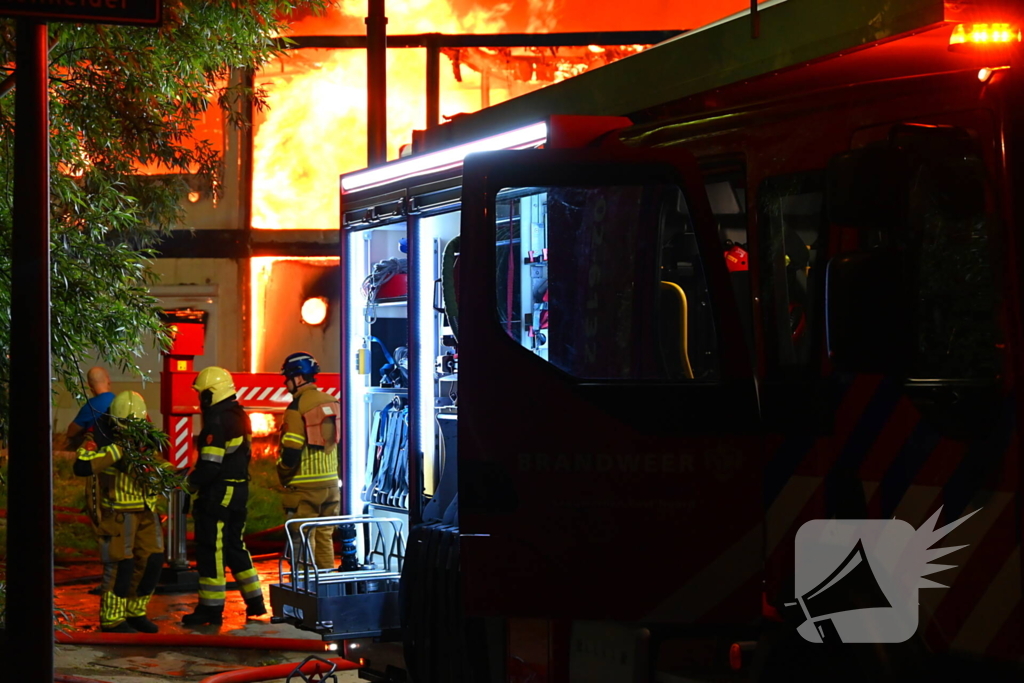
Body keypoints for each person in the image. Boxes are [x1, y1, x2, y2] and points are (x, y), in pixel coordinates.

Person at [73, 391, 167, 633]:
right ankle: (113, 619)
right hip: (117, 512)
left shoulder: (146, 431)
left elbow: (155, 462)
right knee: (120, 566)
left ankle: (136, 612)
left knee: (153, 560)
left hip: (146, 509)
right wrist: (117, 451)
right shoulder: (99, 433)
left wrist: (169, 477)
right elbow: (82, 465)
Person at [181, 366, 265, 625]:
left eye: (202, 395)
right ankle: (255, 601)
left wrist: (188, 486)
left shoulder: (217, 420)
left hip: (219, 493)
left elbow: (210, 466)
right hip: (238, 489)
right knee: (234, 545)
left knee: (212, 548)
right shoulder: (238, 414)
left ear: (210, 395)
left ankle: (211, 608)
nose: (200, 400)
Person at [276, 352, 350, 570]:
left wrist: (282, 472)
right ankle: (325, 588)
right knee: (324, 536)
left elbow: (291, 449)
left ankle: (301, 593)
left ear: (298, 378)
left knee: (299, 539)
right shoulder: (332, 402)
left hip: (304, 488)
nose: (286, 383)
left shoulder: (296, 408)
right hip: (331, 486)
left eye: (288, 378)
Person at [63, 366, 115, 451]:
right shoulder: (116, 400)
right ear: (109, 381)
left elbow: (71, 432)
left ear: (90, 386)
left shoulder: (91, 406)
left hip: (96, 452)